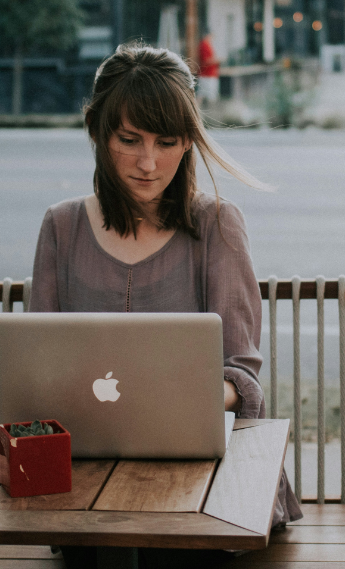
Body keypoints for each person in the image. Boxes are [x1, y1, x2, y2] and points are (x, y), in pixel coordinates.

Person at [29, 43, 301, 568]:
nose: (148, 163)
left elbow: (242, 376)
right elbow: (37, 365)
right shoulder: (61, 227)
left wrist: (167, 398)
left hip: (203, 478)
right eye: (128, 140)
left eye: (167, 142)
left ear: (189, 142)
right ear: (97, 131)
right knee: (106, 550)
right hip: (88, 475)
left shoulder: (217, 224)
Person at [197, 32, 220, 105]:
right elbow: (205, 61)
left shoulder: (207, 45)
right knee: (207, 95)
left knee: (202, 94)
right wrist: (217, 60)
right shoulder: (204, 45)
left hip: (209, 74)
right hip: (207, 75)